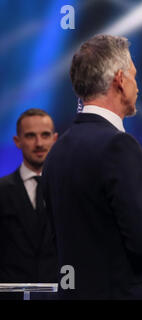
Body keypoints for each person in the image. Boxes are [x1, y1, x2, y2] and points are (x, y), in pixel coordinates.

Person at [42, 34, 142, 299]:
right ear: (120, 81)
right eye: (134, 76)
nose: (138, 87)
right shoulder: (119, 146)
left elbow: (88, 232)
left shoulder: (58, 150)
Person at [0, 108, 58, 299]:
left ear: (55, 139)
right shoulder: (1, 191)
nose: (39, 143)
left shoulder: (69, 191)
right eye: (31, 136)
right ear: (18, 141)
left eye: (45, 135)